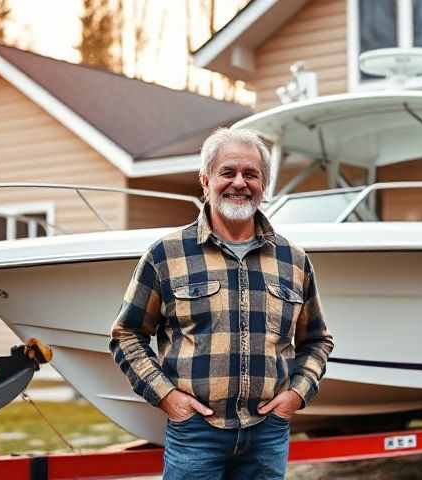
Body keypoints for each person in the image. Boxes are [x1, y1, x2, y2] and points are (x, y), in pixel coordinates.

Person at [110, 128, 334, 479]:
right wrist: (168, 398)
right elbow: (127, 334)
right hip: (196, 432)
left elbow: (317, 339)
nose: (239, 183)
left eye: (251, 174)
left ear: (264, 184)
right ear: (206, 180)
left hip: (267, 432)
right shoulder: (165, 254)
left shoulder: (294, 260)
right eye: (228, 172)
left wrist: (296, 395)